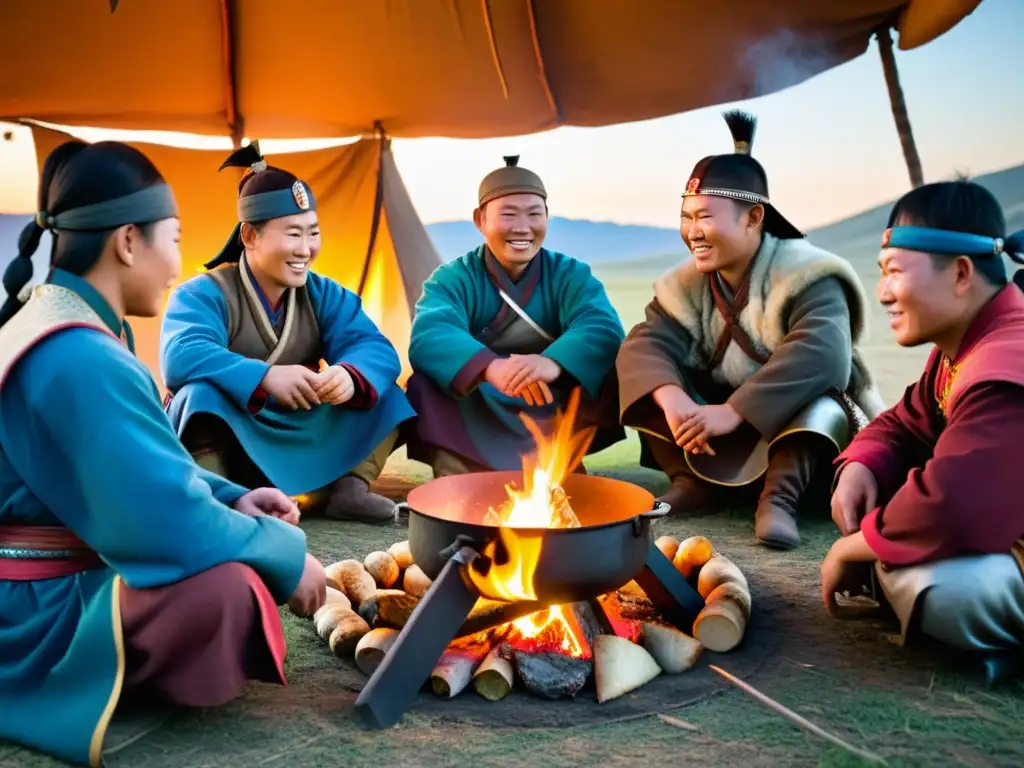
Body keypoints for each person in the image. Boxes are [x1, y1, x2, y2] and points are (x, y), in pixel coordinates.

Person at [0, 140, 327, 767]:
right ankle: (89, 680)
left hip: (65, 565)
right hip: (34, 610)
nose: (179, 263)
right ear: (128, 242)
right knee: (229, 590)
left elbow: (148, 465)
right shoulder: (78, 354)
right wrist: (289, 558)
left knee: (229, 567)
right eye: (173, 239)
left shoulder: (68, 323)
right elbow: (165, 519)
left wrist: (234, 495)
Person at [616, 111, 885, 550]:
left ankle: (779, 499)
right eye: (686, 217)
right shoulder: (688, 284)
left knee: (820, 396)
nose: (692, 232)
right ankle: (692, 480)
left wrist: (734, 411)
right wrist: (674, 400)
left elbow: (821, 353)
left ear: (753, 217)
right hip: (713, 440)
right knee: (641, 371)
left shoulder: (809, 274)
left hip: (801, 444)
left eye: (704, 216)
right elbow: (646, 342)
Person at [822, 180, 1024, 682]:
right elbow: (903, 421)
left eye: (894, 273)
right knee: (898, 537)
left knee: (942, 589)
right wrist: (860, 463)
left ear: (960, 273)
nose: (884, 294)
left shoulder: (1006, 359)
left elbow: (954, 506)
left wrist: (857, 545)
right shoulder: (963, 350)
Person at [160, 143, 415, 522]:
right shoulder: (202, 293)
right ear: (250, 236)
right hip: (240, 433)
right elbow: (181, 355)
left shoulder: (325, 293)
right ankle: (222, 497)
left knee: (385, 393)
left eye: (312, 233)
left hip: (302, 421)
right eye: (293, 234)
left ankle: (350, 488)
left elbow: (373, 347)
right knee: (199, 396)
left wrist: (347, 375)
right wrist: (265, 376)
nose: (306, 249)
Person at [404, 156, 625, 476]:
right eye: (508, 215)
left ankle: (562, 461)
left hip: (548, 394)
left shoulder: (571, 274)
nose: (523, 228)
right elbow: (430, 333)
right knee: (426, 382)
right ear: (480, 220)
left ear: (547, 217)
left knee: (609, 372)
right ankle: (457, 471)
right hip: (483, 395)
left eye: (534, 214)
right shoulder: (452, 278)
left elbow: (601, 326)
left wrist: (552, 363)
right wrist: (490, 367)